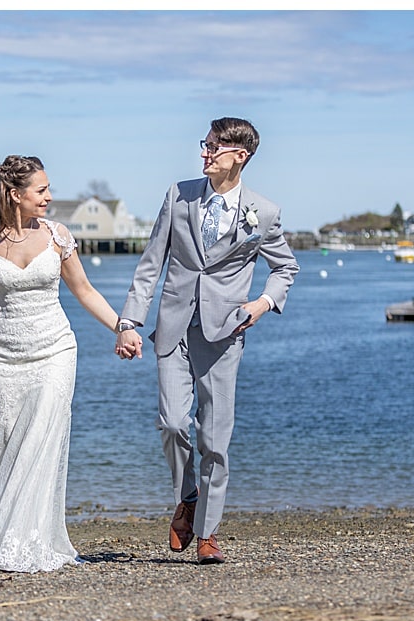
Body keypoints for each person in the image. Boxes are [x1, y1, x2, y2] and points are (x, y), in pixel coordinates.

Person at [116, 117, 299, 565]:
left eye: (214, 147)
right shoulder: (178, 195)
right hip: (173, 325)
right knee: (174, 424)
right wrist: (129, 322)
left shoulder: (265, 211)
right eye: (205, 144)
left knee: (215, 439)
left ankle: (208, 533)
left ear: (241, 156)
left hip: (225, 331)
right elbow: (150, 263)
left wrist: (261, 305)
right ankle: (188, 496)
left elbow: (285, 268)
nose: (205, 153)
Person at [0, 155, 125, 573]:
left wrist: (121, 327)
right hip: (4, 355)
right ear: (15, 195)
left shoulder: (58, 236)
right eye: (41, 190)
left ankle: (29, 541)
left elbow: (85, 290)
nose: (49, 197)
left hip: (56, 349)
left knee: (43, 436)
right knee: (9, 438)